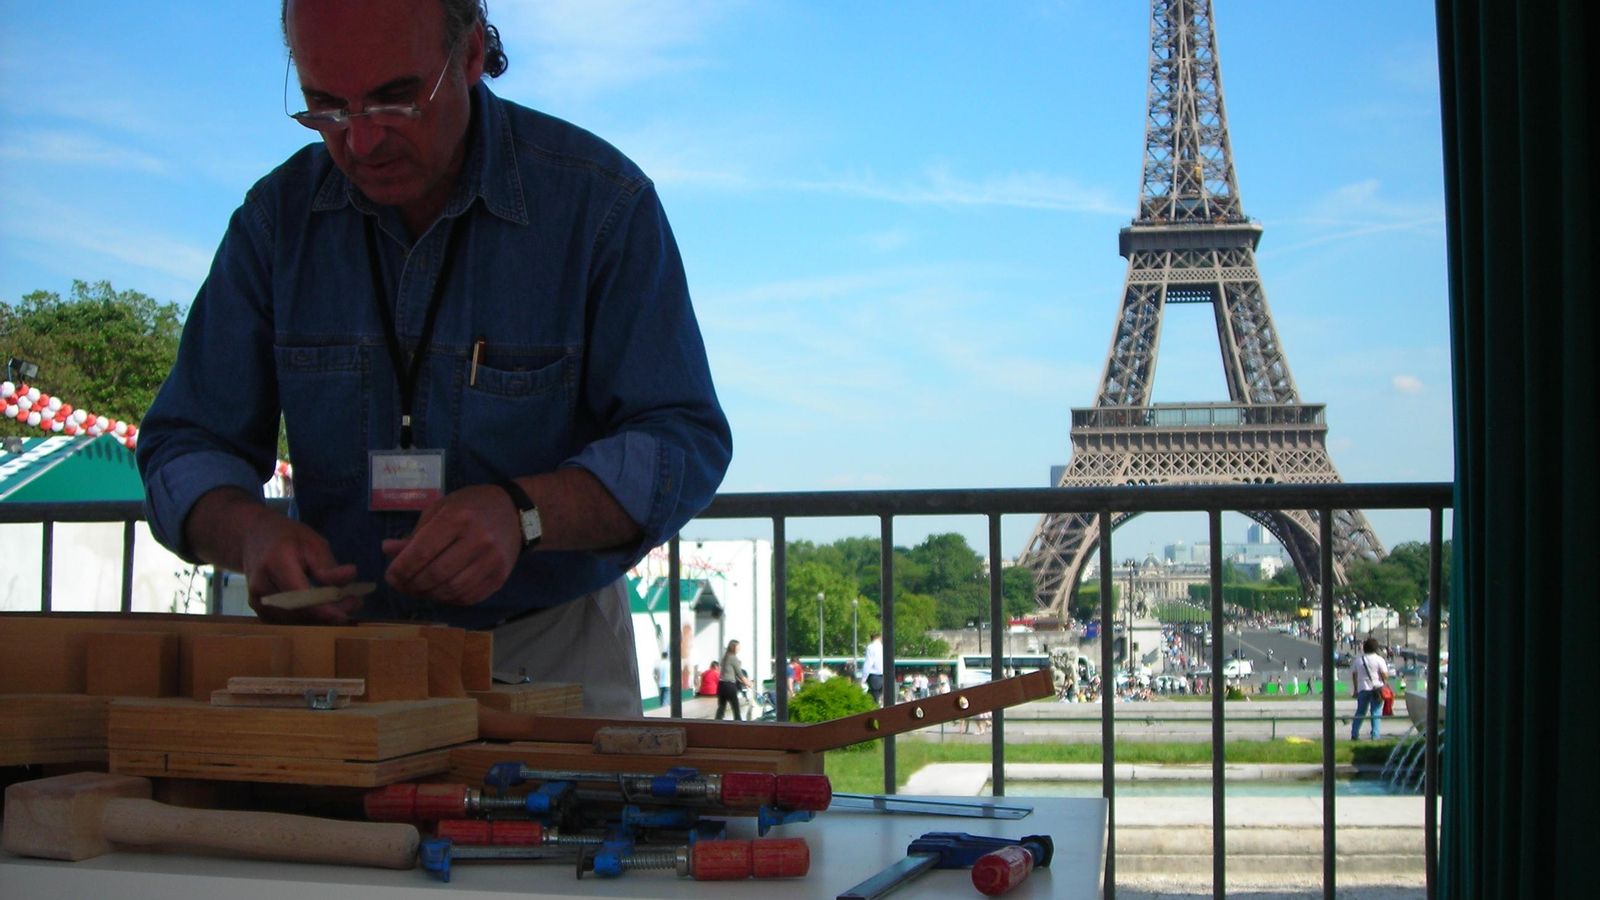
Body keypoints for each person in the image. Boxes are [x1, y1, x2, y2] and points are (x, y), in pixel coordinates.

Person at [135, 0, 731, 718]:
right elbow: (184, 444)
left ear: (473, 53)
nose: (361, 141)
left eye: (396, 99)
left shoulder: (599, 205)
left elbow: (682, 439)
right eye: (327, 107)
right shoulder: (275, 223)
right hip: (339, 666)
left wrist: (523, 515)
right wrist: (250, 534)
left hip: (549, 655)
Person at [1350, 637, 1391, 740]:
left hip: (1362, 688)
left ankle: (1354, 734)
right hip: (1377, 689)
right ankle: (1375, 735)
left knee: (1360, 712)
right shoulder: (1379, 659)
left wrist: (1355, 689)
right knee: (1375, 712)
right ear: (1376, 648)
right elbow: (1385, 675)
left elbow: (1354, 674)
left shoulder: (1359, 660)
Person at [715, 640, 749, 721]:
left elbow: (731, 672)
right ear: (733, 647)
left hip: (721, 685)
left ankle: (716, 724)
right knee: (736, 708)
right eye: (738, 647)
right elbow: (740, 674)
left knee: (721, 707)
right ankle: (738, 724)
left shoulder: (725, 657)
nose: (739, 648)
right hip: (729, 686)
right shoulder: (733, 658)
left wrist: (743, 681)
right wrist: (748, 683)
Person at [862, 632, 884, 704]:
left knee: (874, 700)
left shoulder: (871, 647)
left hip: (874, 677)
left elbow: (868, 663)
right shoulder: (883, 647)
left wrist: (863, 679)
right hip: (884, 676)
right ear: (879, 637)